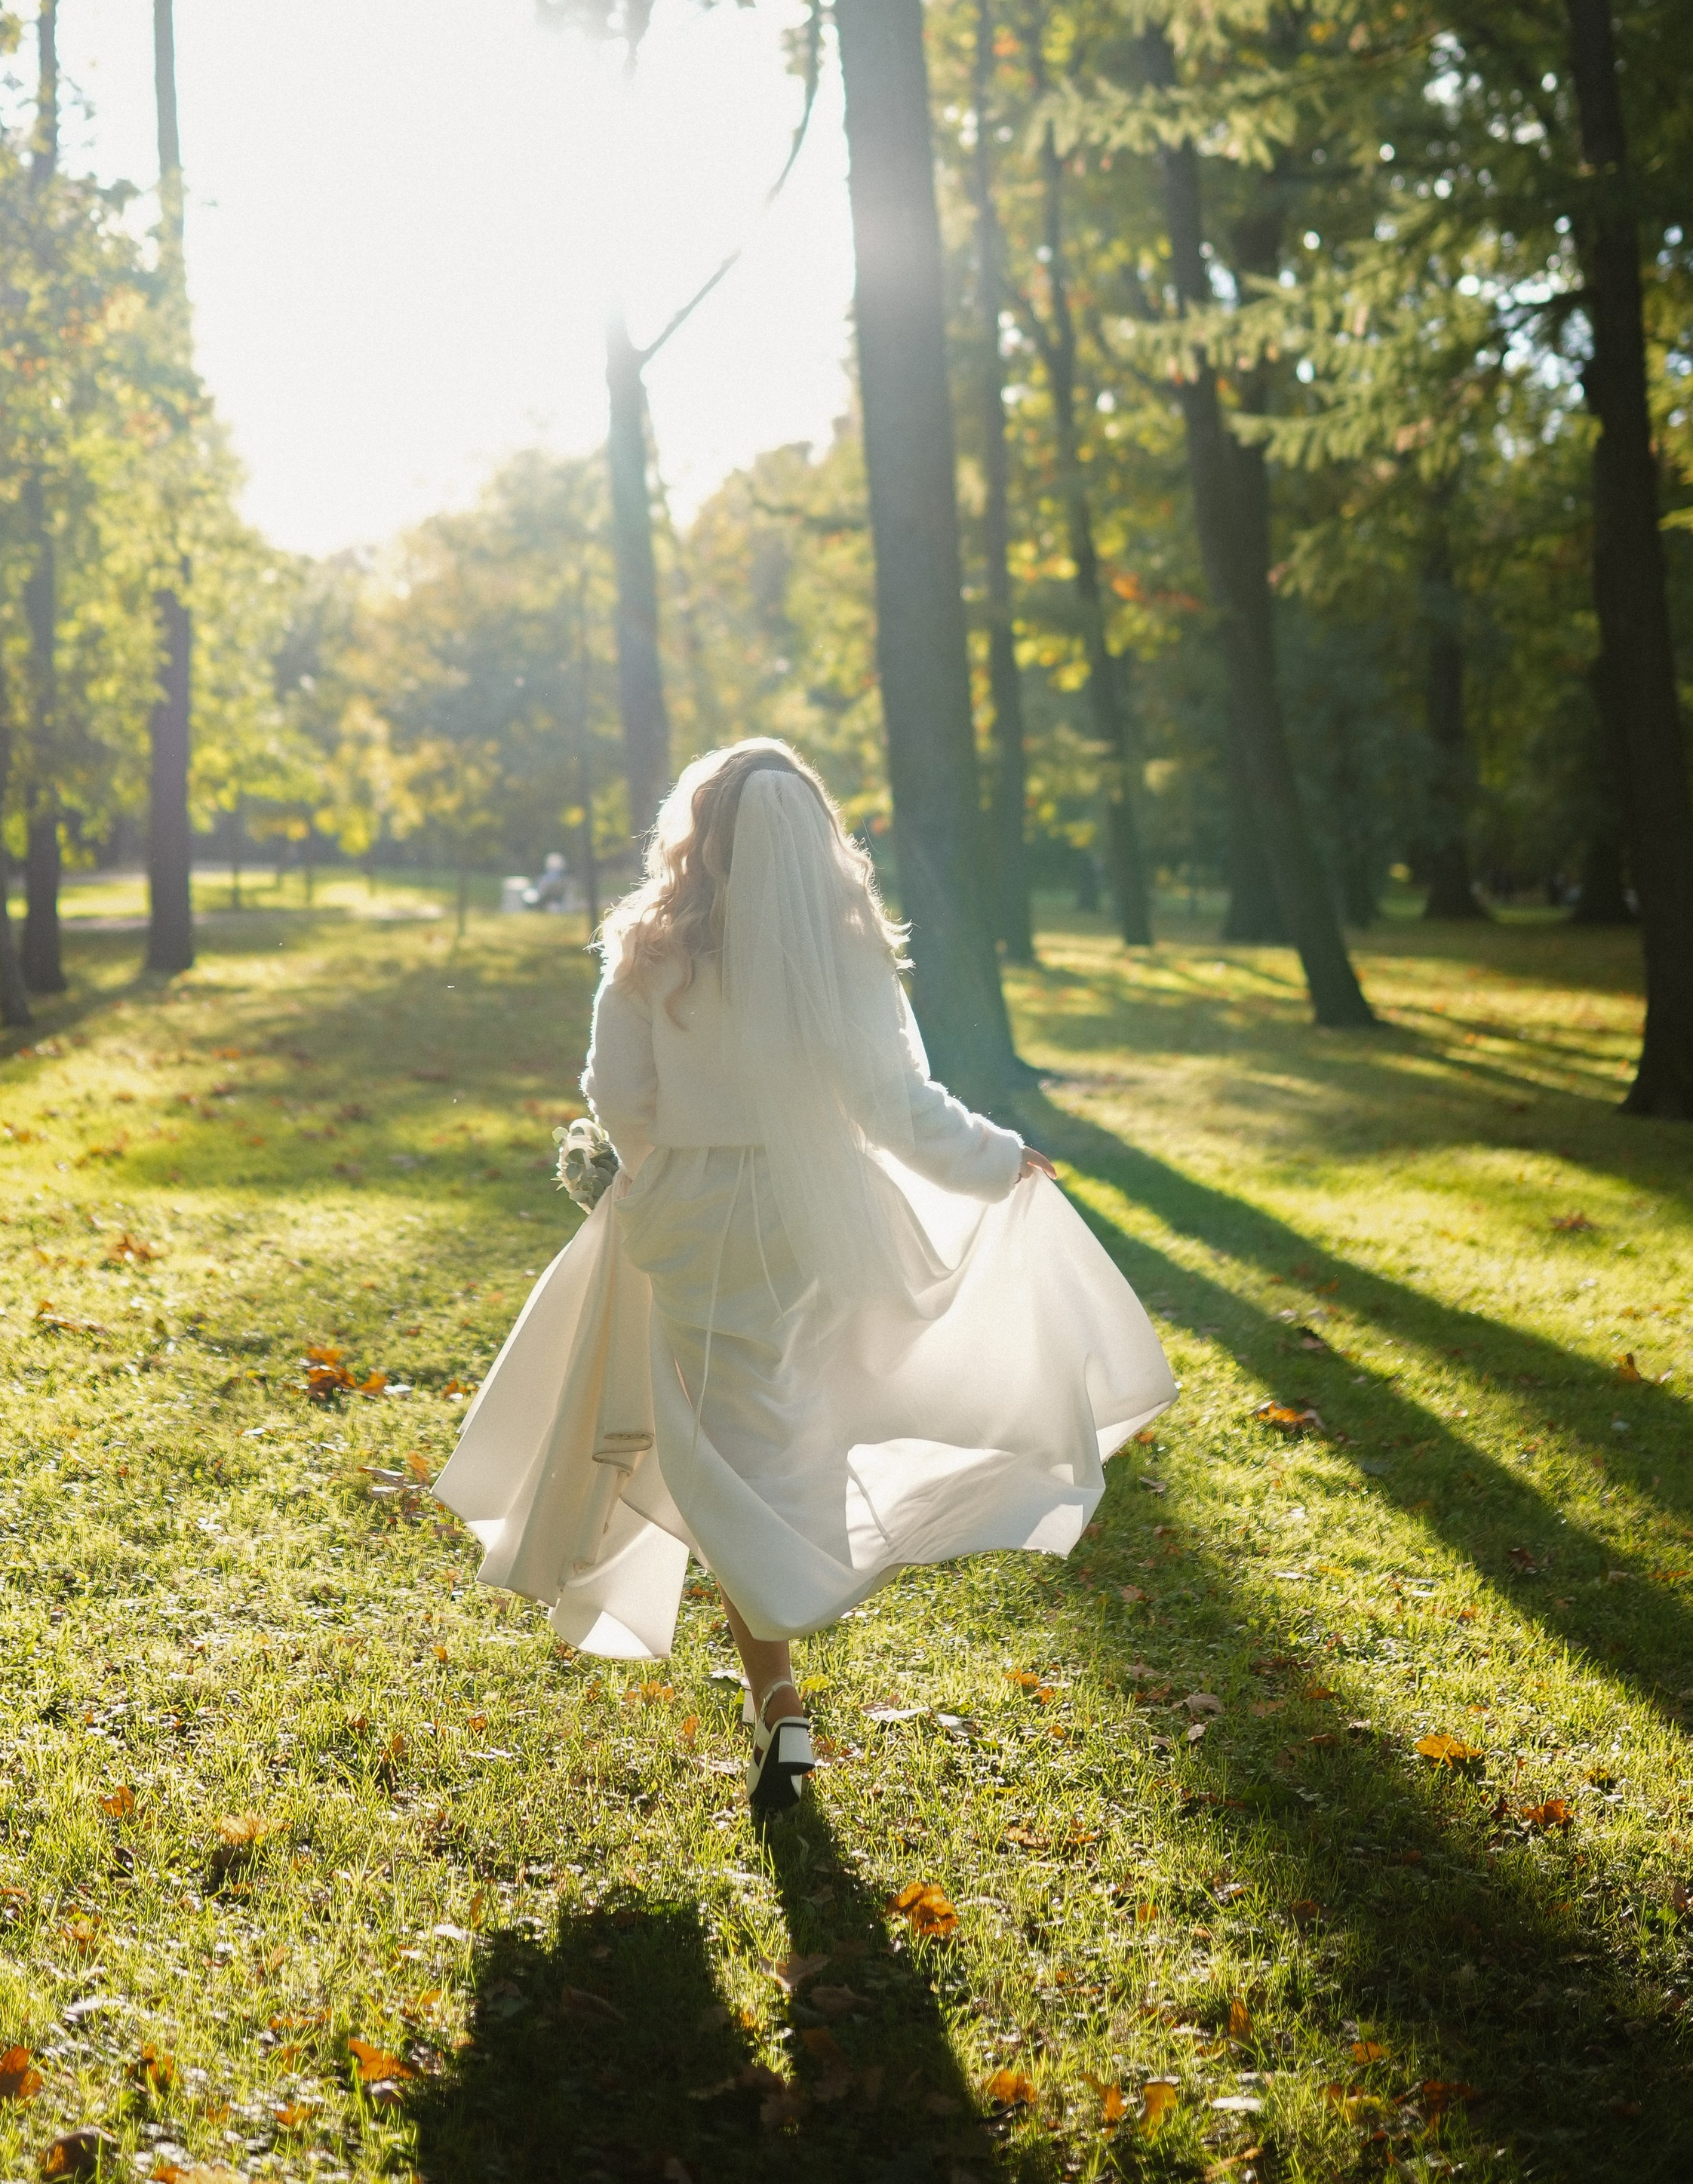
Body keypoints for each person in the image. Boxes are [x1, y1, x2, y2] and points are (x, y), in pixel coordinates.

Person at [436, 738, 1176, 1821]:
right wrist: (994, 1155)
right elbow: (895, 1103)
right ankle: (790, 1624)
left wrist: (644, 1168)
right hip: (812, 1218)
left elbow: (618, 1092)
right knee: (786, 1424)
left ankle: (775, 1688)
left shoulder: (650, 947)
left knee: (726, 1450)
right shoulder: (843, 950)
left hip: (691, 1219)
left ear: (707, 830)